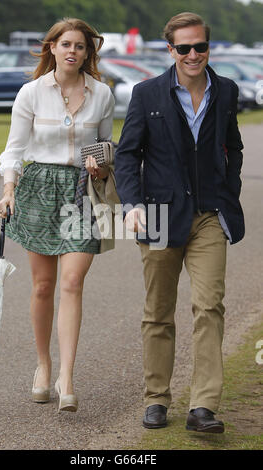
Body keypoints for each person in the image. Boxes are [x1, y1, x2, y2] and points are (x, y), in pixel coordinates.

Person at [115, 12, 244, 433]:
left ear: (209, 48)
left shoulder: (225, 91)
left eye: (200, 47)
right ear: (170, 50)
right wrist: (131, 203)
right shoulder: (147, 93)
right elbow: (127, 154)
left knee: (209, 306)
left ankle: (203, 406)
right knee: (158, 312)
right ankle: (156, 398)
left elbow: (234, 148)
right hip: (157, 215)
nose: (193, 54)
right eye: (184, 48)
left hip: (208, 216)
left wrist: (229, 194)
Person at [0, 18, 115, 413]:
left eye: (80, 46)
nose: (72, 52)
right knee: (44, 286)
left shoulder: (102, 94)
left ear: (87, 53)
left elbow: (105, 145)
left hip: (82, 190)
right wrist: (8, 189)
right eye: (66, 44)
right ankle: (43, 366)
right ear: (51, 47)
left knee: (72, 282)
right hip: (39, 188)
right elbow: (13, 150)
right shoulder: (31, 93)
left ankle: (67, 376)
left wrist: (100, 164)